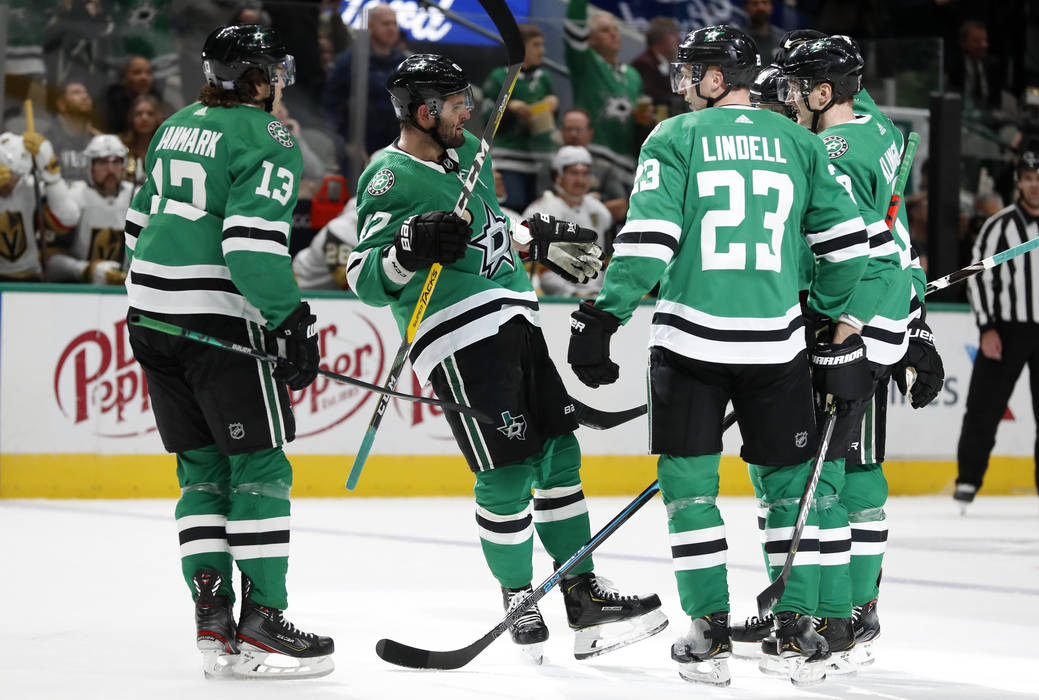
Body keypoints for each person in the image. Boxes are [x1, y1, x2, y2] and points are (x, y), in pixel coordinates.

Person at [566, 26, 881, 687]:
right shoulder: (800, 139)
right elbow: (849, 244)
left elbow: (650, 237)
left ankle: (709, 634)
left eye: (691, 73)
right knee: (791, 493)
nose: (682, 84)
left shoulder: (675, 139)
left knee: (690, 494)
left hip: (689, 346)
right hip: (777, 345)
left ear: (716, 79)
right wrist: (822, 312)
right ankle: (796, 630)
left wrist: (604, 313)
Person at [346, 53, 665, 665]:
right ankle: (518, 597)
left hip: (517, 317)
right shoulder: (387, 177)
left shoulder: (468, 154)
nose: (468, 111)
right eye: (456, 103)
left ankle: (582, 597)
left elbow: (487, 227)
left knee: (559, 453)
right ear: (423, 111)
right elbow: (364, 275)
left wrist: (530, 238)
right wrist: (408, 248)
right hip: (459, 336)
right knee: (506, 472)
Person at [123, 24, 333, 679]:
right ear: (251, 77)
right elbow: (249, 248)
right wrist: (290, 319)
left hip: (151, 320)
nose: (275, 83)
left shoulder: (176, 124)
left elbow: (135, 228)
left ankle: (212, 620)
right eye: (269, 71)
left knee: (202, 474)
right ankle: (264, 623)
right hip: (217, 326)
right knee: (260, 469)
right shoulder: (267, 136)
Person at [761, 33, 942, 674]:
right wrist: (913, 322)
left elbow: (847, 244)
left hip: (849, 320)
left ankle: (827, 620)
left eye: (794, 87)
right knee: (859, 475)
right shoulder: (879, 128)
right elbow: (892, 236)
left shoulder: (830, 147)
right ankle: (857, 612)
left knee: (823, 482)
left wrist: (841, 322)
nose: (785, 99)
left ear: (822, 92)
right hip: (887, 313)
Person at [956, 150, 1039, 516]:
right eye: (1029, 178)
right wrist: (987, 326)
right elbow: (981, 276)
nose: (1035, 184)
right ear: (1019, 183)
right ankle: (968, 482)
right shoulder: (1000, 226)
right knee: (984, 406)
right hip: (1006, 330)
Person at [564, 0, 645, 184]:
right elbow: (574, 28)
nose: (613, 34)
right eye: (605, 30)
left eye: (615, 29)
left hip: (627, 164)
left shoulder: (633, 75)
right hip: (594, 158)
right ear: (590, 38)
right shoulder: (585, 62)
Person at [482, 23, 558, 213]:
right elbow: (486, 119)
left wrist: (552, 107)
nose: (542, 50)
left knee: (541, 215)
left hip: (540, 159)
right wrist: (508, 109)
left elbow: (549, 123)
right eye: (536, 45)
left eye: (542, 44)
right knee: (512, 212)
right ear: (521, 47)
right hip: (509, 159)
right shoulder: (499, 77)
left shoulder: (544, 79)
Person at [321, 2, 405, 167]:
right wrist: (344, 142)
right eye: (386, 23)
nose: (392, 28)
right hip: (359, 146)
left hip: (396, 143)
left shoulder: (403, 62)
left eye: (394, 23)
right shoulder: (350, 60)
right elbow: (331, 105)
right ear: (371, 27)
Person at [522, 146, 612, 297]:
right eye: (574, 173)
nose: (580, 180)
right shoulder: (540, 210)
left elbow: (604, 258)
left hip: (597, 294)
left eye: (585, 174)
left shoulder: (599, 211)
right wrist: (571, 293)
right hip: (557, 299)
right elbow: (537, 265)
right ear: (558, 176)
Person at [45, 134, 134, 285]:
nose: (110, 169)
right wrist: (84, 270)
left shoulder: (138, 196)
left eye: (116, 162)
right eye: (102, 162)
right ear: (89, 166)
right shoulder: (73, 196)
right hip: (80, 291)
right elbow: (50, 260)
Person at [0, 130, 78, 280]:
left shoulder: (30, 187)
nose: (10, 182)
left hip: (31, 276)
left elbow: (68, 219)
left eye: (15, 175)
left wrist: (51, 171)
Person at [536, 110, 629, 223]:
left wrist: (589, 205)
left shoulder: (605, 168)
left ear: (590, 133)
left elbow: (621, 207)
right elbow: (543, 203)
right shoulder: (551, 167)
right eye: (569, 129)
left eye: (578, 130)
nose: (573, 134)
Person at [45, 80, 102, 182]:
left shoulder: (98, 140)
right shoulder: (48, 139)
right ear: (61, 104)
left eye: (86, 93)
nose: (85, 96)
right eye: (76, 92)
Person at [630, 17, 682, 122]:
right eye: (675, 36)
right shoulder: (643, 64)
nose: (679, 41)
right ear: (662, 38)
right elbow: (651, 97)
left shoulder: (664, 64)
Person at [104, 55, 165, 134]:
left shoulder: (159, 101)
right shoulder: (111, 104)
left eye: (148, 73)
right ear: (125, 77)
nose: (144, 77)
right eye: (137, 72)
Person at [120, 94, 165, 185]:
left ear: (158, 117)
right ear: (131, 118)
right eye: (138, 114)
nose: (144, 118)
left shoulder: (166, 146)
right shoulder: (120, 146)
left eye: (150, 113)